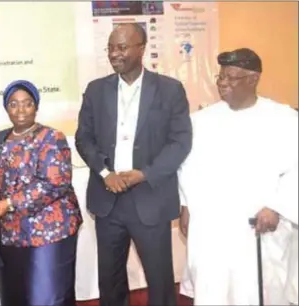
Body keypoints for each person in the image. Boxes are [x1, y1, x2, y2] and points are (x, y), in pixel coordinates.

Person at [75, 24, 192, 306]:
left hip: (150, 198)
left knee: (160, 278)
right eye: (111, 48)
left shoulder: (169, 89)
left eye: (122, 47)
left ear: (142, 48)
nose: (114, 54)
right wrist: (105, 172)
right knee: (110, 279)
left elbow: (180, 142)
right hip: (108, 198)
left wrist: (145, 174)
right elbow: (83, 138)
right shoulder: (95, 90)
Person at [178, 48, 298, 305]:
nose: (223, 84)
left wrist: (277, 206)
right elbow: (187, 166)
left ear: (253, 79)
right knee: (214, 288)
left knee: (257, 289)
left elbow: (295, 169)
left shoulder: (284, 119)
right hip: (213, 226)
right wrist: (186, 204)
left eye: (231, 78)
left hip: (258, 225)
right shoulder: (200, 121)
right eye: (220, 77)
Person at [0, 80, 82, 306]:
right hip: (11, 233)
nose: (21, 110)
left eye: (27, 104)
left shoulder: (52, 138)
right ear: (6, 108)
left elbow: (55, 182)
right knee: (16, 295)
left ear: (36, 106)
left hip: (48, 232)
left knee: (46, 296)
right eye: (14, 104)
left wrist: (9, 203)